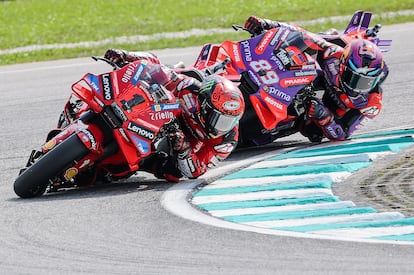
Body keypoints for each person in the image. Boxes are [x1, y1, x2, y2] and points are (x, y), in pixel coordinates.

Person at [104, 49, 245, 182]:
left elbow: (196, 171)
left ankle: (136, 164)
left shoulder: (227, 141)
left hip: (186, 143)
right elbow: (159, 70)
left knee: (172, 172)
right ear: (205, 106)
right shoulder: (190, 87)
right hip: (162, 115)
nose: (222, 127)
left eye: (229, 121)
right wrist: (128, 56)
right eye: (219, 120)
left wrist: (183, 146)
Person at [243, 16, 389, 142]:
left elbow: (342, 134)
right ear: (343, 66)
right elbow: (303, 34)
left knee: (310, 131)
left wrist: (324, 117)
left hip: (317, 116)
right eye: (354, 79)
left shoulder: (370, 102)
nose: (358, 87)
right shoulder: (333, 54)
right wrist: (268, 24)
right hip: (300, 85)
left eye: (366, 82)